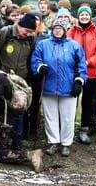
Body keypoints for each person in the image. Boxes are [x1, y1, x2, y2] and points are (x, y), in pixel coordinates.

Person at [31, 17, 87, 156]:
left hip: (68, 87)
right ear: (52, 29)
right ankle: (53, 142)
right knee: (51, 116)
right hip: (48, 86)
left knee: (67, 117)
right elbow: (35, 60)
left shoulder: (74, 46)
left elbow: (81, 66)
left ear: (65, 30)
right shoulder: (43, 44)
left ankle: (66, 143)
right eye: (55, 28)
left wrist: (79, 81)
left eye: (60, 28)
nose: (57, 30)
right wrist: (40, 67)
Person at [0, 10, 38, 151]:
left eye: (32, 31)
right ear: (19, 25)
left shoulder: (31, 38)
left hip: (21, 82)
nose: (29, 33)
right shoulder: (5, 33)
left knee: (19, 110)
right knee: (2, 111)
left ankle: (17, 142)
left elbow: (31, 59)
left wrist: (31, 78)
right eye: (27, 30)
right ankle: (1, 142)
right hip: (4, 79)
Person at [69, 4, 96, 144]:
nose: (84, 16)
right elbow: (67, 47)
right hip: (75, 71)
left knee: (88, 102)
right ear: (79, 16)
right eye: (82, 14)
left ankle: (84, 129)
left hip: (91, 72)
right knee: (72, 101)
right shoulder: (72, 31)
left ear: (90, 16)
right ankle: (69, 129)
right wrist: (77, 62)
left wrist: (90, 61)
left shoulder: (95, 30)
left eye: (87, 15)